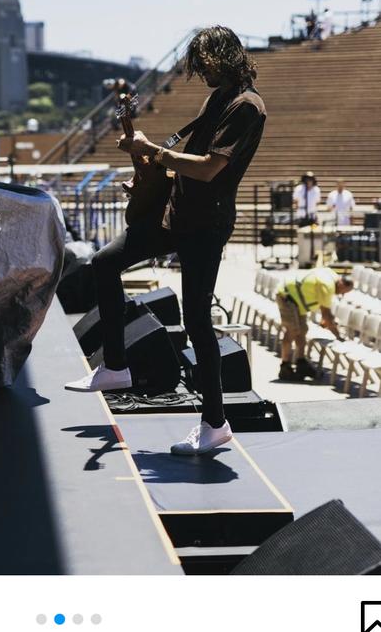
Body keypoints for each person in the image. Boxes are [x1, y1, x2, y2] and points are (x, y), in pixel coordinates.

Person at [65, 26, 266, 455]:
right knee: (105, 262)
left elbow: (211, 168)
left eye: (205, 64)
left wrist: (154, 151)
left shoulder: (246, 106)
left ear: (225, 57)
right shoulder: (218, 98)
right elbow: (185, 166)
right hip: (176, 212)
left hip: (206, 225)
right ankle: (115, 367)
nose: (201, 74)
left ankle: (215, 424)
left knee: (196, 320)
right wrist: (148, 179)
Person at [275, 269, 353, 380]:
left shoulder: (332, 275)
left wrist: (327, 321)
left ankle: (301, 362)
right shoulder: (327, 286)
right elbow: (326, 316)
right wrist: (338, 336)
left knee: (302, 331)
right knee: (292, 330)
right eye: (343, 291)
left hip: (297, 299)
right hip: (286, 296)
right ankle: (285, 366)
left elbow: (325, 317)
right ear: (341, 283)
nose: (342, 294)